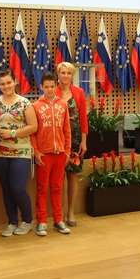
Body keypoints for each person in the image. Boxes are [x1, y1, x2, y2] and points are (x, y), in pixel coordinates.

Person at [0, 70, 38, 237]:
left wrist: (12, 133)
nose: (6, 86)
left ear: (15, 82)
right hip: (0, 152)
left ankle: (27, 220)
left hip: (21, 152)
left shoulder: (25, 102)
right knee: (6, 189)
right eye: (2, 84)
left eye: (8, 82)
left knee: (17, 188)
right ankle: (11, 222)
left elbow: (33, 126)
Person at [31, 73, 72, 236]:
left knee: (57, 187)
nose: (49, 89)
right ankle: (41, 221)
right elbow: (33, 133)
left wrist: (67, 151)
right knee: (42, 188)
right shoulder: (35, 106)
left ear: (56, 86)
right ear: (41, 87)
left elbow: (67, 129)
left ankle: (58, 219)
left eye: (52, 86)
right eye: (46, 86)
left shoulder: (63, 104)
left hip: (60, 153)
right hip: (44, 154)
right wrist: (36, 151)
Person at [54, 61, 88, 227]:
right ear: (58, 74)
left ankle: (71, 211)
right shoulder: (52, 91)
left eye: (68, 73)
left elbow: (83, 118)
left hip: (75, 139)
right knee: (58, 177)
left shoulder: (79, 92)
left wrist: (84, 141)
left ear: (72, 75)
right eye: (63, 72)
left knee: (72, 176)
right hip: (58, 139)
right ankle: (59, 213)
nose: (65, 76)